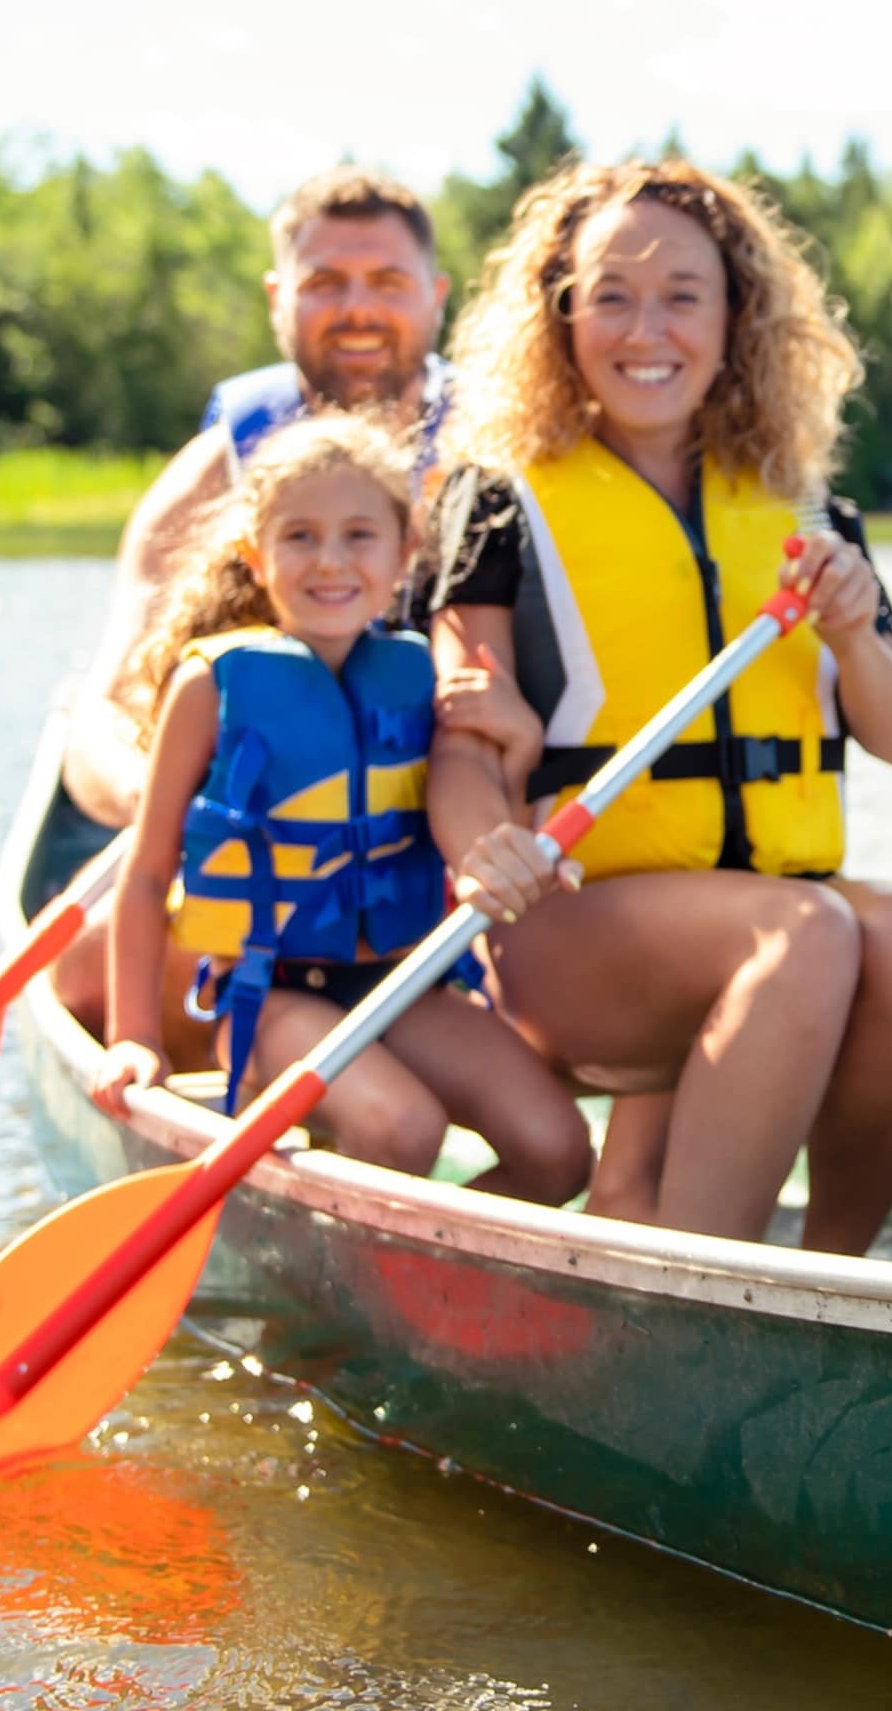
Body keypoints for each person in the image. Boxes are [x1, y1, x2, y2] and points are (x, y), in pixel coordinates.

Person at [424, 158, 892, 1251]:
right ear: (561, 314)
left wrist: (851, 631)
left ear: (734, 317)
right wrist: (485, 848)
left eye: (681, 295)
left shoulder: (806, 507)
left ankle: (831, 1277)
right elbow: (465, 737)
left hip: (770, 911)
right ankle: (706, 1284)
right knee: (804, 930)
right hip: (574, 926)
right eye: (610, 296)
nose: (646, 330)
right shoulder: (501, 500)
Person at [92, 413, 592, 1203]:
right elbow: (150, 873)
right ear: (255, 556)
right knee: (403, 1128)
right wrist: (134, 1038)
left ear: (405, 553)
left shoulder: (421, 677)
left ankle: (423, 1266)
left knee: (558, 1152)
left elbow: (489, 835)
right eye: (300, 537)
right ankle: (349, 1266)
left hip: (404, 982)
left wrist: (522, 745)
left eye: (360, 536)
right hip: (272, 994)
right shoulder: (209, 685)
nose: (330, 561)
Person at [54, 165, 486, 1035]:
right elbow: (103, 717)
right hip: (261, 870)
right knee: (84, 969)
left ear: (436, 297)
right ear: (278, 298)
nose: (357, 308)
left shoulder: (495, 452)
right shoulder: (218, 467)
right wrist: (176, 811)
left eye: (387, 281)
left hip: (440, 852)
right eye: (325, 282)